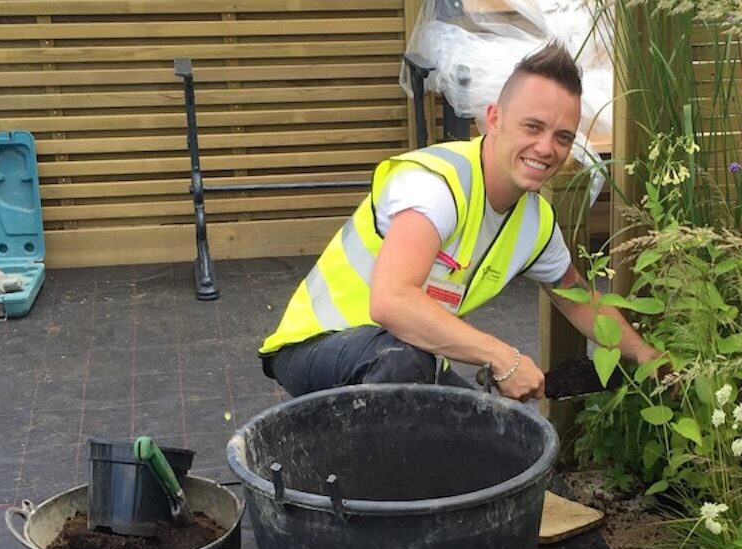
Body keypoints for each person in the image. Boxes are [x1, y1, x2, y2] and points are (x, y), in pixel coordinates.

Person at [259, 42, 660, 401]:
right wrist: (503, 357)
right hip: (319, 346)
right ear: (494, 119)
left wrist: (646, 355)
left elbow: (578, 298)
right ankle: (356, 483)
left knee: (488, 441)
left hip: (407, 353)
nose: (546, 148)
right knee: (405, 369)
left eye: (563, 136)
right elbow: (391, 300)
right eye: (533, 126)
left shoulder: (534, 223)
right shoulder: (437, 186)